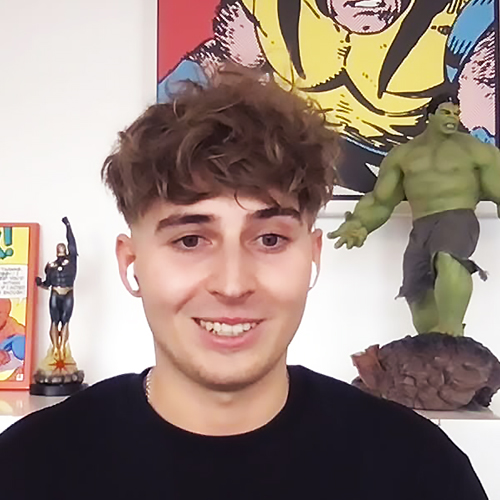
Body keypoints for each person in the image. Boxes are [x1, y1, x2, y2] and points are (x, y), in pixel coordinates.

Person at [0, 70, 487, 499]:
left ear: (312, 256)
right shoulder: (26, 469)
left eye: (270, 238)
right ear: (132, 265)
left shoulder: (422, 472)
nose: (232, 285)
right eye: (191, 240)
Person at [329, 94, 500, 338]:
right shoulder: (403, 155)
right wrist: (360, 224)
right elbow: (381, 200)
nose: (453, 118)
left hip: (457, 217)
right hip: (421, 225)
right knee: (416, 289)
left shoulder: (476, 150)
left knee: (448, 258)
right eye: (446, 113)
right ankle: (431, 344)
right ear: (429, 116)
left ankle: (453, 330)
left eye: (456, 113)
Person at [35, 217, 77, 360]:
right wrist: (39, 283)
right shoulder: (51, 266)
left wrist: (68, 226)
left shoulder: (71, 261)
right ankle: (55, 348)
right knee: (54, 321)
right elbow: (47, 284)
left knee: (65, 321)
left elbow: (72, 244)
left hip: (68, 292)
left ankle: (62, 348)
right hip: (55, 293)